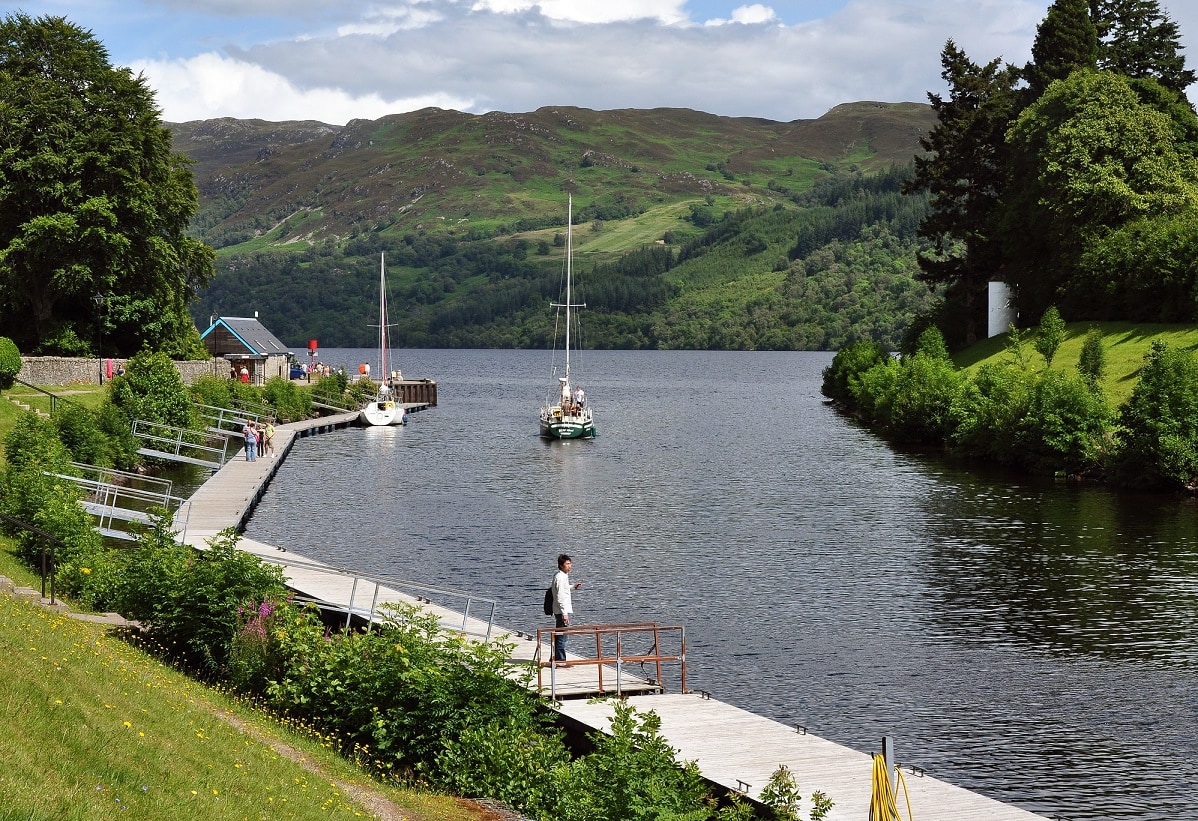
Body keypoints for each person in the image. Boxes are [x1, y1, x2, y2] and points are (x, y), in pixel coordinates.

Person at [551, 553, 582, 662]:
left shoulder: (561, 576)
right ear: (561, 565)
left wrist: (573, 587)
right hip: (561, 611)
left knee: (560, 634)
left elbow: (563, 589)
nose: (570, 566)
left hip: (560, 610)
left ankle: (555, 658)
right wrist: (564, 613)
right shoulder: (560, 577)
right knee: (562, 636)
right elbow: (560, 596)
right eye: (567, 564)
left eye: (570, 564)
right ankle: (560, 660)